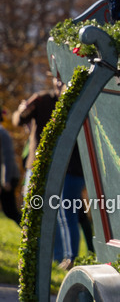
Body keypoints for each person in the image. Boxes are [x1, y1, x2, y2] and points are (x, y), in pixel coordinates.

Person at [14, 74, 87, 266]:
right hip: (38, 164)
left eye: (63, 77)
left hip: (70, 166)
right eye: (56, 77)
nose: (59, 82)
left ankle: (69, 258)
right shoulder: (42, 100)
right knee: (34, 209)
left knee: (66, 213)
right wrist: (22, 111)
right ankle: (40, 257)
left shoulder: (81, 101)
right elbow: (18, 120)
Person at [0, 108, 20, 223]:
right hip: (4, 177)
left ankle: (30, 231)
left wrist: (6, 180)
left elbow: (8, 158)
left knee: (10, 211)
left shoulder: (2, 133)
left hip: (9, 177)